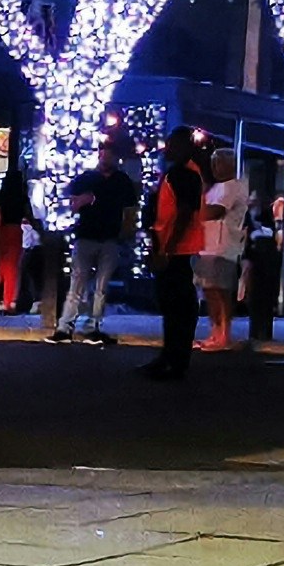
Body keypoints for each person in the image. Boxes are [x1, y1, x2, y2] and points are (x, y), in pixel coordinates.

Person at [51, 142, 139, 343]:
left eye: (109, 156)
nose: (105, 159)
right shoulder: (87, 179)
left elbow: (130, 210)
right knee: (78, 283)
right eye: (103, 155)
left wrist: (127, 232)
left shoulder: (121, 181)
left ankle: (91, 326)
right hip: (87, 236)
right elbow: (72, 205)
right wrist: (83, 201)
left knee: (100, 286)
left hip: (109, 238)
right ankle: (66, 326)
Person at [141, 128, 210, 381]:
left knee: (177, 307)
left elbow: (183, 214)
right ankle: (170, 357)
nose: (166, 148)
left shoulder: (183, 174)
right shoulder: (185, 172)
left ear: (182, 146)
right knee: (174, 307)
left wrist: (166, 249)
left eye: (171, 144)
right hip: (173, 246)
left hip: (176, 249)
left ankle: (175, 360)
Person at [195, 145, 246, 350]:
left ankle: (224, 335)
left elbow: (211, 212)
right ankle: (214, 333)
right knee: (209, 291)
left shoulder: (234, 186)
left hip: (224, 247)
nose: (215, 167)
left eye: (220, 162)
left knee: (221, 292)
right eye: (213, 162)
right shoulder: (215, 188)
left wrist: (198, 204)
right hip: (207, 246)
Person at [0, 156, 34, 311]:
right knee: (12, 268)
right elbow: (29, 215)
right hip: (15, 231)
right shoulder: (21, 198)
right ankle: (9, 301)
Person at [246, 191, 284, 345]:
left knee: (261, 298)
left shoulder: (266, 219)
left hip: (263, 260)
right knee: (259, 298)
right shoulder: (252, 218)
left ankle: (260, 331)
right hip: (259, 260)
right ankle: (259, 331)